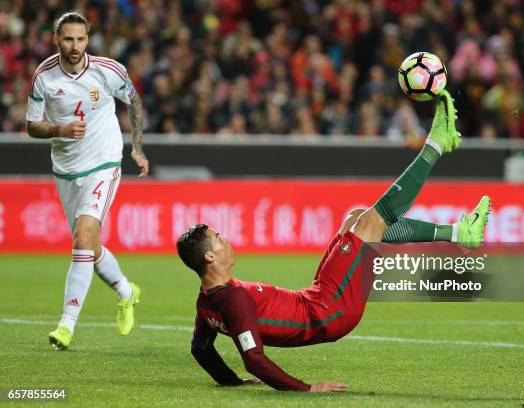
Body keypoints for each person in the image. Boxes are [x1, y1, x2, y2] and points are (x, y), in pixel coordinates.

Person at [176, 90, 491, 392]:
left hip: (318, 298)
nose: (225, 239)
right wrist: (307, 388)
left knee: (356, 216)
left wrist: (230, 382)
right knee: (371, 223)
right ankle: (436, 144)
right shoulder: (233, 301)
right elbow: (254, 359)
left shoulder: (207, 303)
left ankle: (460, 233)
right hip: (330, 312)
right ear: (209, 258)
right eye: (218, 239)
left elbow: (200, 350)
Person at [25, 12, 149, 350]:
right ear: (56, 40)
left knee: (82, 238)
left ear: (88, 38)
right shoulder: (44, 77)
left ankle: (66, 325)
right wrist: (59, 130)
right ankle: (126, 291)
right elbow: (32, 125)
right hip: (66, 169)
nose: (75, 46)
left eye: (81, 39)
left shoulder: (108, 71)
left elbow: (134, 101)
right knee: (90, 247)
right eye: (68, 39)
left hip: (104, 163)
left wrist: (136, 147)